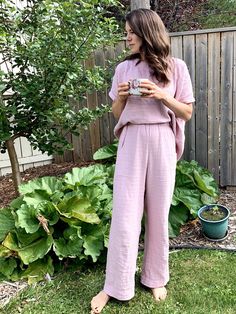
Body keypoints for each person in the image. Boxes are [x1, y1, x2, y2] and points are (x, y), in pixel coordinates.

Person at [91, 8, 194, 314]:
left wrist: (161, 95)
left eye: (131, 33)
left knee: (158, 213)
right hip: (132, 140)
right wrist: (121, 97)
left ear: (147, 33)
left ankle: (155, 277)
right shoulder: (123, 69)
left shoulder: (176, 68)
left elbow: (186, 112)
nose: (127, 38)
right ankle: (116, 285)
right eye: (126, 33)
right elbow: (117, 114)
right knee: (125, 213)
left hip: (162, 139)